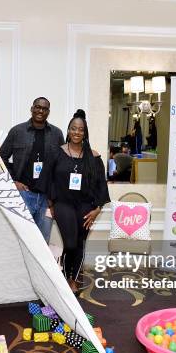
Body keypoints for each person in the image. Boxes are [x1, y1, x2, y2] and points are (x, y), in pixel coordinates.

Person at [48, 109, 110, 293]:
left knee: (80, 242)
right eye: (73, 129)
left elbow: (101, 185)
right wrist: (51, 204)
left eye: (81, 129)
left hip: (86, 206)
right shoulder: (57, 153)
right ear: (68, 131)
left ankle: (73, 279)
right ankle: (66, 275)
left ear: (85, 133)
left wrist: (97, 209)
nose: (77, 132)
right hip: (63, 204)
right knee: (71, 243)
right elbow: (48, 179)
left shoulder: (94, 156)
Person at [0, 97, 64, 242]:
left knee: (42, 241)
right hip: (24, 195)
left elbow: (62, 164)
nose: (40, 110)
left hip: (47, 199)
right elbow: (0, 158)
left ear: (48, 112)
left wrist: (55, 197)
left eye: (44, 108)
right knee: (21, 240)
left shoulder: (57, 134)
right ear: (32, 108)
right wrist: (13, 181)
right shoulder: (17, 131)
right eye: (38, 107)